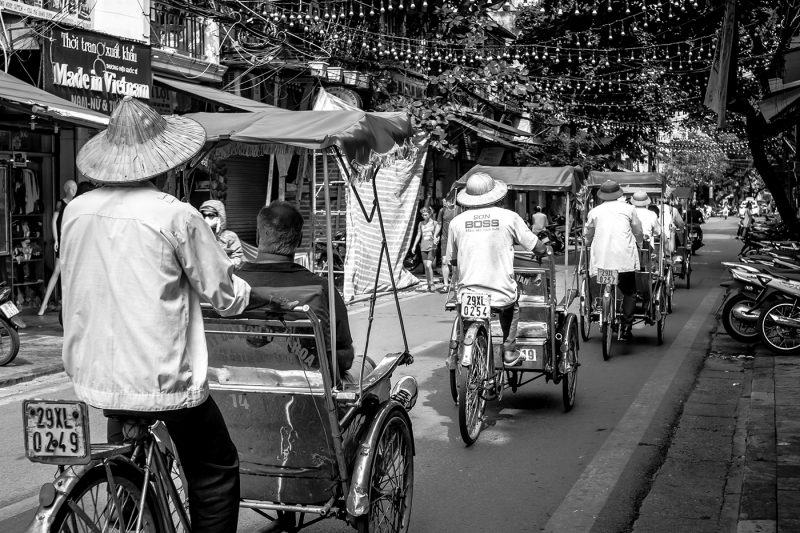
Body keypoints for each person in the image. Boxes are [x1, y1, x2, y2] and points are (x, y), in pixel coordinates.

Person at [61, 96, 253, 532]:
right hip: (160, 378)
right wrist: (249, 293)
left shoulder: (75, 211)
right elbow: (224, 293)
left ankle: (130, 509)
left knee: (125, 461)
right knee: (216, 469)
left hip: (95, 376)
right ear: (163, 164)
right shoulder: (174, 215)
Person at [238, 200, 373, 383]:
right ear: (299, 240)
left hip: (237, 384)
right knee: (368, 364)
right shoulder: (321, 288)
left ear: (257, 236)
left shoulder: (230, 286)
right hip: (312, 395)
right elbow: (345, 359)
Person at [445, 172, 548, 367]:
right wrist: (542, 251)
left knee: (464, 317)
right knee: (512, 305)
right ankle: (509, 350)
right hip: (500, 291)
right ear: (496, 196)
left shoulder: (456, 222)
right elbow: (537, 247)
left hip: (468, 292)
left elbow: (452, 260)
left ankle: (458, 350)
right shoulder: (509, 217)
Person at [585, 180, 643, 341]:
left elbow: (588, 234)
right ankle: (626, 326)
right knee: (629, 292)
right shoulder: (629, 209)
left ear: (602, 195)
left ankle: (604, 305)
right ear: (619, 193)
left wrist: (587, 242)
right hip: (623, 260)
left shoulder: (594, 212)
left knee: (606, 286)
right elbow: (638, 231)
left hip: (603, 260)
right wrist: (640, 241)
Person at [37, 179, 77, 316]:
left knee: (71, 272)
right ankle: (44, 305)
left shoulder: (76, 204)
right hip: (62, 240)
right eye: (72, 189)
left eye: (75, 189)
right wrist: (56, 239)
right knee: (57, 271)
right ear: (66, 189)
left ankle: (67, 306)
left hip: (73, 241)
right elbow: (54, 221)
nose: (74, 191)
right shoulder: (61, 203)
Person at [199, 199, 244, 270]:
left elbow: (238, 259)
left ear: (219, 217)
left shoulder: (230, 237)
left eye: (211, 215)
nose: (206, 218)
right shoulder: (197, 235)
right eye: (204, 215)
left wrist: (227, 263)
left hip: (224, 276)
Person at [411, 206, 439, 292]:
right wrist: (414, 245)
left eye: (426, 215)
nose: (424, 216)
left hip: (432, 246)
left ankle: (432, 283)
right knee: (426, 267)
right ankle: (428, 283)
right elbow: (419, 235)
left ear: (430, 214)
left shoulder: (435, 223)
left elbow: (437, 235)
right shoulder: (421, 223)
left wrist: (436, 240)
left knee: (428, 265)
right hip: (423, 246)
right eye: (423, 215)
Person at [436, 189, 458, 293]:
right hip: (445, 239)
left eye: (450, 199)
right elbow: (439, 224)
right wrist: (436, 235)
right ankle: (446, 284)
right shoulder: (442, 210)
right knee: (444, 262)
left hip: (456, 239)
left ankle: (455, 284)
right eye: (447, 199)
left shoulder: (458, 209)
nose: (447, 201)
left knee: (455, 263)